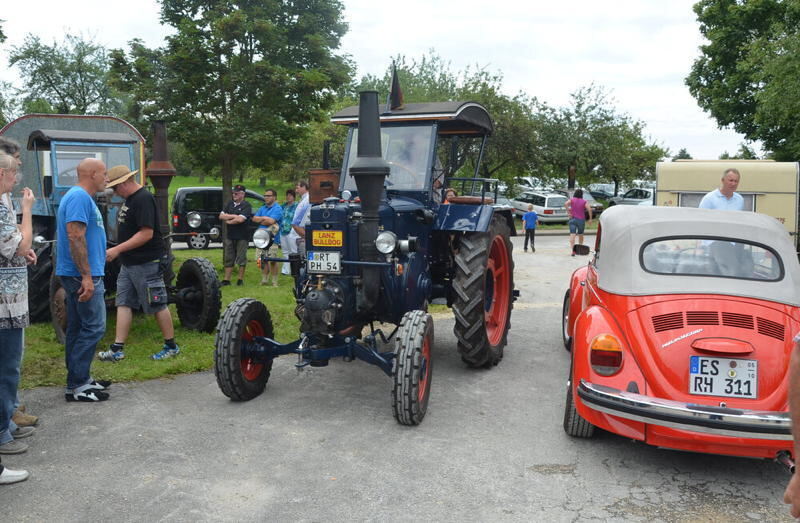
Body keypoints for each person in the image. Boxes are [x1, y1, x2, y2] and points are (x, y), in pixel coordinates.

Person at [98, 165, 180, 362]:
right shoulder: (131, 200)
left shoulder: (143, 199)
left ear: (126, 182)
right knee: (123, 302)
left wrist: (117, 250)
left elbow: (146, 233)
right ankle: (117, 348)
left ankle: (171, 346)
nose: (116, 193)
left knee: (157, 303)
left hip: (147, 262)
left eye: (117, 188)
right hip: (130, 263)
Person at [56, 158, 111, 402]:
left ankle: (79, 381)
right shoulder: (79, 197)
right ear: (91, 174)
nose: (107, 178)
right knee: (94, 326)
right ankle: (78, 385)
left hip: (78, 272)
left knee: (78, 328)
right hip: (81, 274)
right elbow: (75, 236)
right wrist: (87, 276)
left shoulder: (80, 197)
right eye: (104, 173)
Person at [0, 138, 38, 428]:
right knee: (7, 364)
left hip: (12, 297)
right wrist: (28, 210)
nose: (17, 176)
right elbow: (17, 243)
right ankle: (5, 424)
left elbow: (14, 243)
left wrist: (22, 248)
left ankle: (9, 410)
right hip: (6, 303)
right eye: (13, 169)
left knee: (11, 362)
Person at [219, 184, 253, 286]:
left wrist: (229, 221)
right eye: (233, 193)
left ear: (242, 194)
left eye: (237, 193)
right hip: (230, 235)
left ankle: (240, 279)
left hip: (242, 236)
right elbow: (221, 216)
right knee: (229, 257)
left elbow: (241, 219)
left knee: (241, 257)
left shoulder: (246, 205)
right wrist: (234, 215)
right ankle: (226, 279)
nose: (234, 194)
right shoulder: (229, 204)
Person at [252, 189, 283, 286]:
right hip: (261, 238)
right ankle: (264, 279)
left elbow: (271, 221)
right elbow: (254, 219)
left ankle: (274, 281)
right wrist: (265, 219)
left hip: (272, 238)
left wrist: (261, 219)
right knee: (260, 260)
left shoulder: (278, 208)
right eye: (265, 195)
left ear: (274, 197)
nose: (266, 197)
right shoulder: (262, 208)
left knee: (273, 260)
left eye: (268, 196)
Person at [565, 188, 592, 256]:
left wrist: (569, 212)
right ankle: (580, 249)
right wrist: (590, 219)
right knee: (580, 234)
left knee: (572, 234)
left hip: (572, 219)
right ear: (582, 194)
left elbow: (565, 204)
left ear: (575, 193)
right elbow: (589, 209)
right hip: (581, 220)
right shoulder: (584, 201)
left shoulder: (572, 200)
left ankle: (573, 251)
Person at [290, 180, 310, 259]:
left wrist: (305, 236)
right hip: (298, 234)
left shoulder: (307, 200)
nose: (296, 191)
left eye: (297, 188)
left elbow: (296, 223)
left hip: (300, 235)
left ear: (304, 187)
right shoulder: (304, 199)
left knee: (300, 260)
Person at [280, 189, 297, 275]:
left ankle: (294, 269)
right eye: (287, 195)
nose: (288, 197)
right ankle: (285, 270)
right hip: (283, 230)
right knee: (285, 251)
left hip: (292, 230)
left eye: (290, 195)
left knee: (292, 251)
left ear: (294, 197)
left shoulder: (297, 206)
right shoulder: (283, 206)